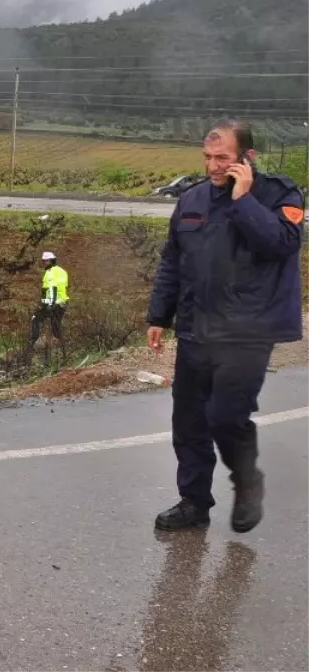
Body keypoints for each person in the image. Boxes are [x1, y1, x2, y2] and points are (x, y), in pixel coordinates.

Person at [146, 119, 304, 533]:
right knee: (190, 421)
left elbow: (282, 245)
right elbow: (172, 260)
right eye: (208, 157)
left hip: (249, 331)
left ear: (247, 158)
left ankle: (247, 482)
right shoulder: (192, 200)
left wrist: (243, 199)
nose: (214, 166)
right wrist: (159, 316)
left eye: (224, 158)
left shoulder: (279, 194)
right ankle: (194, 503)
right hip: (198, 328)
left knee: (226, 416)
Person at [30, 251, 69, 343]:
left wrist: (50, 304)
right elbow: (65, 286)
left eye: (45, 261)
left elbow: (52, 288)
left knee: (35, 318)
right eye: (43, 261)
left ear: (51, 261)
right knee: (56, 325)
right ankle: (62, 346)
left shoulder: (50, 272)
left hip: (53, 302)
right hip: (63, 302)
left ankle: (32, 342)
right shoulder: (62, 271)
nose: (44, 263)